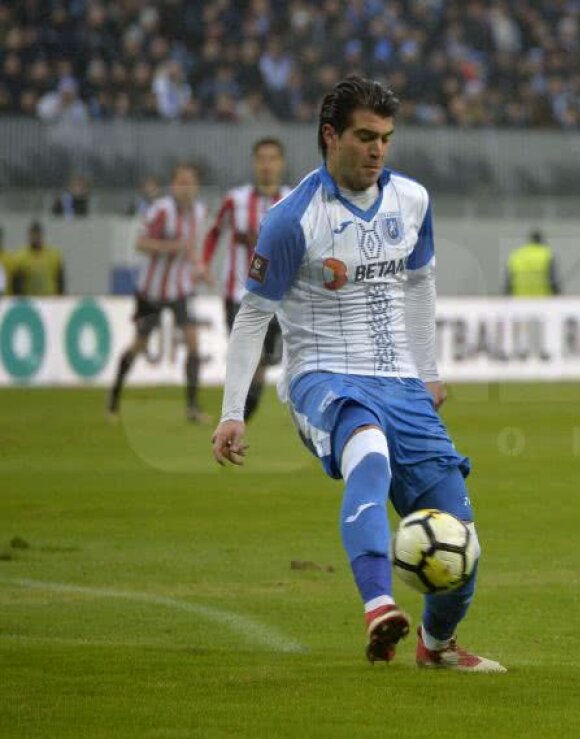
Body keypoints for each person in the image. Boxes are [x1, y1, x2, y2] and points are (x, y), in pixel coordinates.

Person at [210, 75, 504, 672]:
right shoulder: (293, 220)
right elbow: (253, 318)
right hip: (323, 377)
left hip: (400, 383)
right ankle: (378, 606)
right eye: (365, 137)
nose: (377, 150)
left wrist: (429, 372)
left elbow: (421, 286)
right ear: (330, 136)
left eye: (386, 139)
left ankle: (437, 646)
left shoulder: (413, 201)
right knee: (368, 453)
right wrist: (232, 413)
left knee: (461, 540)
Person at [107, 163, 208, 422]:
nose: (186, 188)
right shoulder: (161, 210)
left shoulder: (198, 211)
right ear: (173, 185)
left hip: (180, 288)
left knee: (193, 341)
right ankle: (113, 402)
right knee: (139, 344)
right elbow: (140, 243)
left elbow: (191, 246)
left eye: (190, 182)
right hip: (151, 290)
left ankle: (192, 407)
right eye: (181, 182)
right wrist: (171, 247)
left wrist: (200, 267)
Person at [200, 137, 292, 421]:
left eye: (272, 159)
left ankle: (241, 412)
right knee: (250, 355)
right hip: (237, 294)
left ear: (281, 163)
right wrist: (204, 263)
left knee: (266, 359)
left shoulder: (293, 199)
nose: (266, 165)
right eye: (261, 159)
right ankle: (240, 415)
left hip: (279, 298)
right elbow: (215, 232)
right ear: (254, 163)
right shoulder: (235, 200)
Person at [11, 222, 65, 296]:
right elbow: (16, 285)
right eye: (33, 235)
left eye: (37, 235)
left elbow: (60, 281)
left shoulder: (54, 256)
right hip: (30, 301)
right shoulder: (20, 258)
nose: (35, 238)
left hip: (50, 300)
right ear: (29, 236)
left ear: (42, 235)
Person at [503, 229, 560, 296]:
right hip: (542, 300)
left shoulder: (516, 255)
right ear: (541, 241)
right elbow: (553, 282)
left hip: (519, 300)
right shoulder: (547, 255)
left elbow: (508, 284)